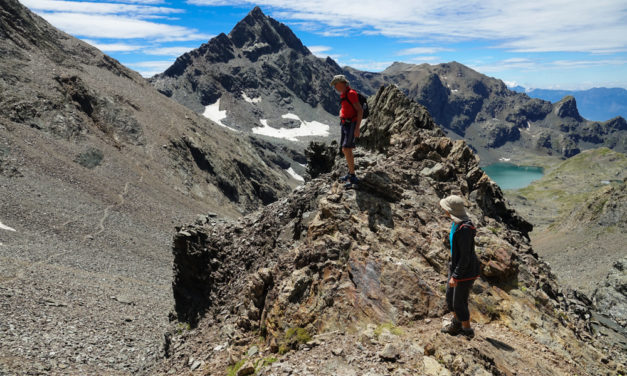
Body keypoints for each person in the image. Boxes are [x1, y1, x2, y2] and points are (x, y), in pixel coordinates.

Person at [439, 195, 480, 338]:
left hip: (465, 271)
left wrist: (456, 276)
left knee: (459, 302)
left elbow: (465, 257)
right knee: (450, 299)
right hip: (456, 266)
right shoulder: (456, 223)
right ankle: (456, 323)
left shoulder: (464, 229)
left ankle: (467, 330)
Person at [330, 75, 363, 188]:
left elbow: (360, 110)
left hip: (351, 125)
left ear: (341, 83)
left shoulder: (351, 93)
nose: (335, 87)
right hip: (345, 123)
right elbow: (345, 107)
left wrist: (357, 128)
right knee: (345, 149)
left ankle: (353, 176)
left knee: (346, 148)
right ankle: (350, 173)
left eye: (335, 84)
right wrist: (341, 113)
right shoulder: (344, 94)